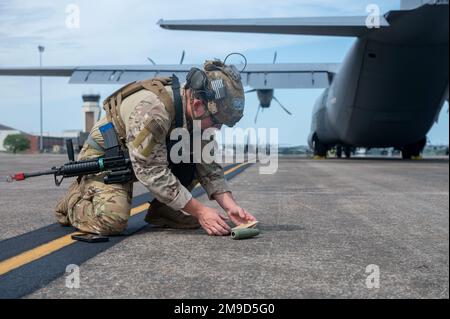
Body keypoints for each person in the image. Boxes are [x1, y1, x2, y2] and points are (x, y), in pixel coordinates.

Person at [55, 60, 256, 236]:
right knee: (111, 221)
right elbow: (152, 172)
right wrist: (200, 211)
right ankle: (72, 202)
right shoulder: (153, 111)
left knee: (192, 159)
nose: (217, 128)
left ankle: (164, 212)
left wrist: (231, 206)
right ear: (197, 105)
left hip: (142, 158)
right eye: (216, 122)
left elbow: (208, 166)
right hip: (106, 158)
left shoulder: (198, 118)